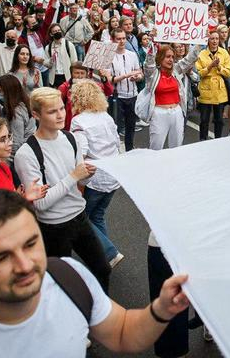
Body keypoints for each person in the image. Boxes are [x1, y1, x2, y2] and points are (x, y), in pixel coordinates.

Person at [0, 189, 190, 358]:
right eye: (0, 257)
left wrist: (161, 309)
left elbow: (123, 333)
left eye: (31, 244)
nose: (25, 265)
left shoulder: (69, 276)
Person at [14, 87, 111, 291]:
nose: (60, 115)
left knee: (103, 268)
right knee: (62, 283)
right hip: (53, 227)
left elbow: (79, 185)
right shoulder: (26, 153)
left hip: (80, 217)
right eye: (52, 111)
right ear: (36, 114)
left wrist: (86, 176)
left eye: (61, 108)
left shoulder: (70, 138)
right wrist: (74, 176)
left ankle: (100, 315)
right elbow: (41, 204)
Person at [69, 79, 124, 267]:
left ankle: (109, 252)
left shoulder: (78, 121)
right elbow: (117, 142)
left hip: (94, 179)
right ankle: (104, 255)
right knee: (98, 215)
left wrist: (78, 182)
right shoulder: (106, 116)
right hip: (113, 175)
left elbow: (81, 154)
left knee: (80, 217)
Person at [143, 43, 201, 150]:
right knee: (156, 147)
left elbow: (189, 59)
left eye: (172, 57)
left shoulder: (176, 70)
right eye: (167, 57)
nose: (171, 60)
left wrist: (199, 43)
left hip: (177, 113)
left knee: (177, 147)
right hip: (159, 114)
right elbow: (148, 64)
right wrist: (152, 44)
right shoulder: (153, 74)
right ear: (160, 58)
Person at [0, 75, 37, 161]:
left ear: (8, 92)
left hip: (21, 156)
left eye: (1, 91)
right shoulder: (20, 102)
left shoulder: (16, 113)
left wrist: (3, 160)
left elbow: (16, 143)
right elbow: (5, 113)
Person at [108, 28, 142, 150]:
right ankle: (115, 150)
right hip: (117, 97)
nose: (122, 41)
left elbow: (140, 73)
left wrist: (137, 77)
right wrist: (126, 76)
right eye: (119, 39)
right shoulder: (109, 56)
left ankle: (129, 149)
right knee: (115, 126)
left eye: (123, 38)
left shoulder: (132, 55)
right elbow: (109, 79)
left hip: (132, 95)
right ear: (113, 40)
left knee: (130, 126)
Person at [195, 30, 230, 140]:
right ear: (208, 40)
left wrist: (219, 67)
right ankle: (202, 140)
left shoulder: (224, 53)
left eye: (217, 38)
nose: (215, 41)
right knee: (204, 120)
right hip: (205, 90)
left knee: (219, 120)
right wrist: (210, 66)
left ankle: (218, 140)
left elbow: (229, 73)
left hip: (220, 91)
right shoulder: (201, 54)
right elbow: (199, 73)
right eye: (212, 38)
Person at [44, 23, 78, 87]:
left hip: (66, 76)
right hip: (54, 78)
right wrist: (50, 60)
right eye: (55, 31)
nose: (57, 32)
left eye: (59, 30)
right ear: (51, 34)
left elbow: (74, 61)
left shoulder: (69, 45)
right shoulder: (48, 47)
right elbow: (46, 63)